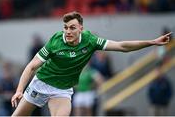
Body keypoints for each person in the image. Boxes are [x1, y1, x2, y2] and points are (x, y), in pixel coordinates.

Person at [11, 11, 171, 116]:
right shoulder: (55, 41)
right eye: (65, 28)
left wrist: (151, 42)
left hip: (62, 90)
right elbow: (32, 66)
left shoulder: (91, 40)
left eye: (72, 28)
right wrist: (19, 90)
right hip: (41, 83)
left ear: (81, 28)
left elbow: (122, 46)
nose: (67, 32)